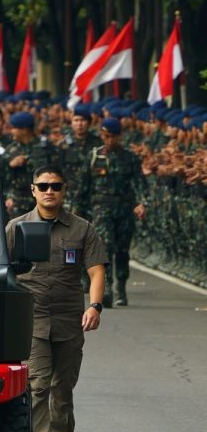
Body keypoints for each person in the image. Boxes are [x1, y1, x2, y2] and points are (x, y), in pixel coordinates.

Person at [6, 166, 107, 432]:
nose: (49, 191)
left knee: (62, 392)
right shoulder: (16, 228)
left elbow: (96, 271)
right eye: (43, 186)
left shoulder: (81, 229)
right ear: (33, 190)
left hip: (68, 319)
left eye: (56, 186)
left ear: (64, 190)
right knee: (37, 386)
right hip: (32, 319)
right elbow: (1, 271)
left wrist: (95, 306)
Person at [80, 117, 146, 307]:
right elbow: (84, 187)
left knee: (122, 249)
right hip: (102, 209)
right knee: (105, 247)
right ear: (102, 135)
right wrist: (78, 212)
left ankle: (121, 286)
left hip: (124, 209)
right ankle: (106, 287)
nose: (109, 140)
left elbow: (140, 183)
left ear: (120, 136)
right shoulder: (94, 157)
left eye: (113, 136)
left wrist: (142, 203)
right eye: (106, 136)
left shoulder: (130, 158)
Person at [3, 111, 55, 217]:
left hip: (42, 199)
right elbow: (3, 178)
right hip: (18, 202)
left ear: (24, 130)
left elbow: (56, 172)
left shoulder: (46, 148)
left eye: (14, 128)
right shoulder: (11, 149)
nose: (11, 131)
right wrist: (10, 166)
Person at [57, 106, 101, 217]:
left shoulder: (98, 143)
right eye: (76, 120)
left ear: (89, 123)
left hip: (92, 193)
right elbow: (59, 169)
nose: (79, 124)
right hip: (70, 194)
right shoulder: (64, 145)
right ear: (71, 123)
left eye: (83, 120)